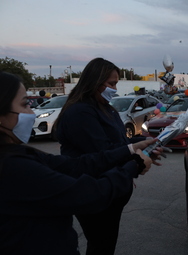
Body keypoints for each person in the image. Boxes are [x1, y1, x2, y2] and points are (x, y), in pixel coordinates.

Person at [0, 71, 157, 255]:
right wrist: (133, 165)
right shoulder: (13, 167)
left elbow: (74, 164)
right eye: (25, 104)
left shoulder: (18, 153)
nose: (32, 113)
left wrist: (131, 150)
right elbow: (87, 195)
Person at [56, 58, 162, 255]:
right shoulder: (80, 112)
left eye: (116, 84)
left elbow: (119, 141)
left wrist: (146, 143)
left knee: (105, 244)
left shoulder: (105, 108)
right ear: (95, 82)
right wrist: (135, 152)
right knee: (100, 245)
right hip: (94, 191)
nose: (114, 89)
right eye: (111, 84)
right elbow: (102, 152)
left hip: (112, 191)